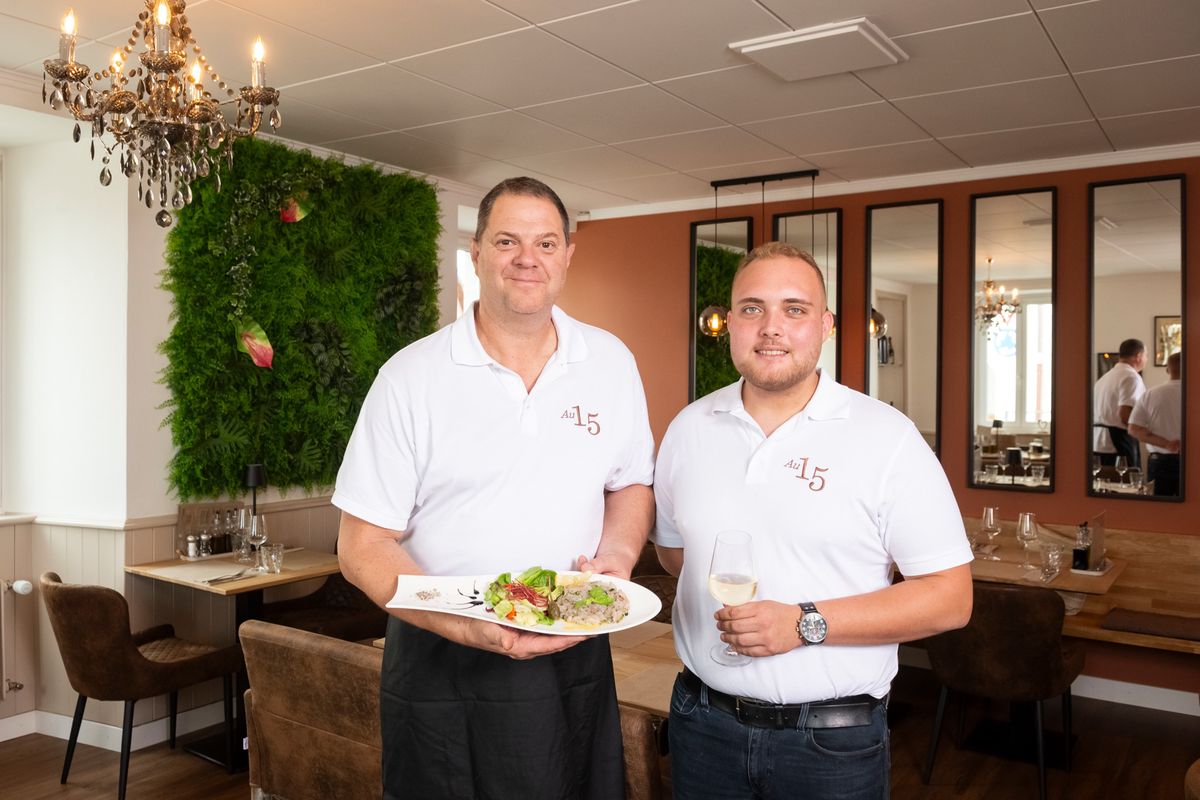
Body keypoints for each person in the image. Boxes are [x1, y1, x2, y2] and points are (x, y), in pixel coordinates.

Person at [332, 177, 655, 800]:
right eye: (506, 241)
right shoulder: (410, 377)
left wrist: (614, 561)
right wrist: (462, 623)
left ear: (568, 255)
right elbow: (361, 544)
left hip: (572, 646)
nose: (526, 258)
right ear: (477, 252)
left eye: (545, 242)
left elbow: (631, 483)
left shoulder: (611, 361)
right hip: (439, 660)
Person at [651, 242, 973, 800]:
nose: (771, 327)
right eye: (752, 308)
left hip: (831, 746)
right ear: (730, 323)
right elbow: (676, 555)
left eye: (794, 310)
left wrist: (801, 622)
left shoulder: (887, 437)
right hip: (701, 724)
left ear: (824, 326)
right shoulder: (688, 428)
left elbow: (951, 598)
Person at [1129, 350, 1182, 496]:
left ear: (1167, 369)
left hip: (1161, 462)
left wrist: (1167, 444)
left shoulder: (1151, 394)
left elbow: (1134, 429)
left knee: (1160, 510)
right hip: (1195, 459)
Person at [1093, 338, 1147, 468]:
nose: (1146, 359)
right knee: (1125, 484)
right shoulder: (1131, 377)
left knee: (1103, 484)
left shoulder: (1104, 378)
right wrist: (1145, 431)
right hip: (1118, 441)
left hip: (1097, 440)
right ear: (1138, 356)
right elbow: (1124, 414)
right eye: (1146, 355)